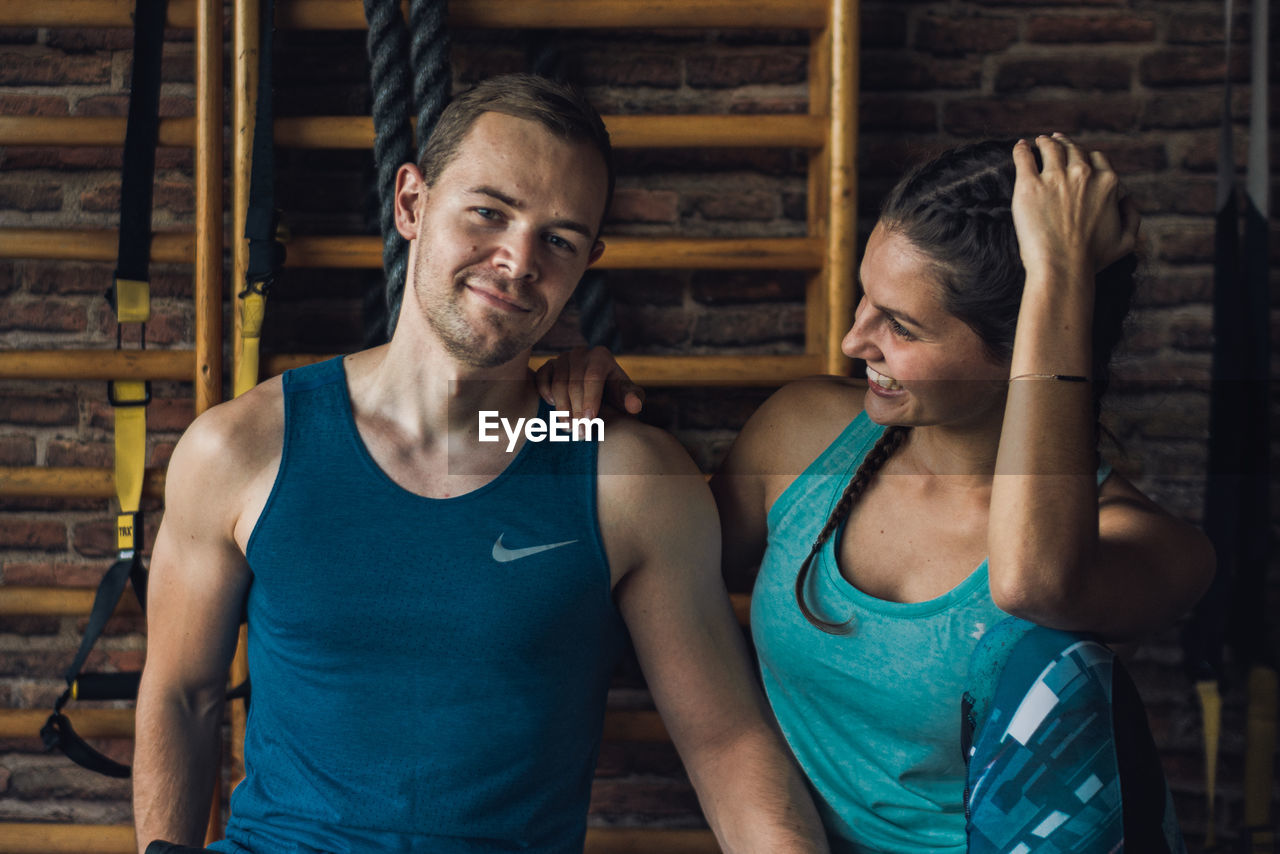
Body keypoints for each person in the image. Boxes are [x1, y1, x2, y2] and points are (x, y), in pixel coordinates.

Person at [132, 73, 829, 854]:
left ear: (585, 263)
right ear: (411, 204)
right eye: (489, 212)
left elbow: (726, 743)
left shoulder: (627, 480)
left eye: (558, 239)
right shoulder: (240, 448)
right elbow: (182, 694)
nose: (518, 259)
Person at [539, 135, 1216, 853]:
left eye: (901, 325)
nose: (855, 339)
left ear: (1026, 349)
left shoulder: (1143, 546)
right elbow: (657, 555)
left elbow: (1034, 585)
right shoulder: (803, 436)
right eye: (869, 298)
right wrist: (585, 421)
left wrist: (1058, 276)